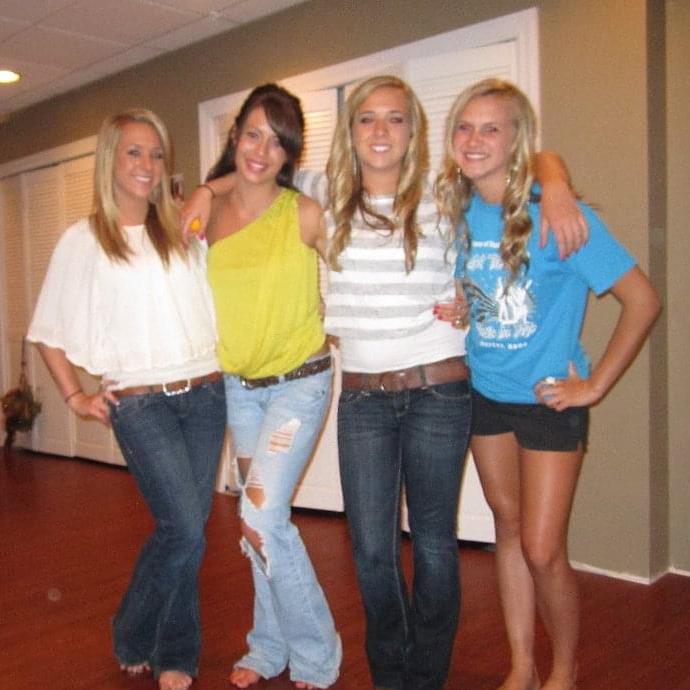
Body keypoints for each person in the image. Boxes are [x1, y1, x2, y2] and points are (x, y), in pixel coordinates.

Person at [183, 74, 585, 690]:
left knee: (433, 544)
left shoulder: (445, 192)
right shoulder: (324, 193)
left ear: (413, 131)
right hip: (363, 396)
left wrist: (553, 182)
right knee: (370, 549)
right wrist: (204, 190)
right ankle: (390, 673)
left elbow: (521, 163)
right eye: (367, 118)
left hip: (438, 390)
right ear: (350, 131)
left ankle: (426, 676)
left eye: (395, 118)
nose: (380, 130)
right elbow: (254, 173)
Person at [436, 78, 661, 690]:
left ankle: (564, 666)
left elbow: (642, 300)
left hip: (548, 402)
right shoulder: (459, 211)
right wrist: (466, 305)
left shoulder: (557, 212)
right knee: (506, 531)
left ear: (517, 139)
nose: (474, 139)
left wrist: (595, 386)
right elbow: (488, 287)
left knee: (542, 549)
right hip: (485, 394)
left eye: (491, 128)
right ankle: (522, 666)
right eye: (464, 127)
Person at [27, 109, 227, 690]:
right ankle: (134, 629)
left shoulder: (183, 230)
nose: (147, 164)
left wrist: (207, 191)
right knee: (184, 527)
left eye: (156, 154)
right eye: (134, 152)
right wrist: (74, 396)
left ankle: (174, 652)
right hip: (141, 405)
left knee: (186, 530)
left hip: (206, 394)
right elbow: (46, 330)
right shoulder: (85, 239)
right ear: (110, 160)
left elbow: (250, 177)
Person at [201, 84, 341, 690]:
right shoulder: (205, 214)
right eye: (253, 134)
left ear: (291, 154)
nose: (262, 151)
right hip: (241, 389)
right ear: (235, 134)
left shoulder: (303, 212)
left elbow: (359, 269)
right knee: (255, 521)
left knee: (260, 517)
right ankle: (267, 646)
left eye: (278, 142)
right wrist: (207, 189)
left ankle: (316, 656)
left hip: (298, 385)